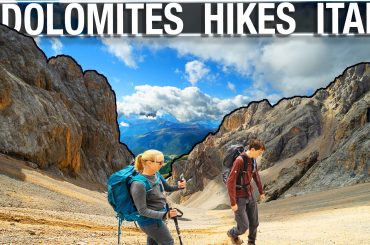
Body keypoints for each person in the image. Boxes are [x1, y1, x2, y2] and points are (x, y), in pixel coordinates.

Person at [130, 149, 186, 245]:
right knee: (168, 242)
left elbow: (167, 188)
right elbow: (142, 211)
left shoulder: (157, 174)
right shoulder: (138, 184)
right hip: (149, 221)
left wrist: (178, 187)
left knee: (153, 242)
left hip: (159, 218)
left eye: (163, 161)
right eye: (160, 162)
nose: (162, 164)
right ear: (148, 163)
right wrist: (165, 215)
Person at [226, 139, 266, 245]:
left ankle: (251, 242)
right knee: (243, 226)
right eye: (259, 152)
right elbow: (230, 182)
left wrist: (261, 192)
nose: (260, 155)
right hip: (239, 197)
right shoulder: (240, 160)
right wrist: (233, 202)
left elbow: (256, 176)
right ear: (252, 149)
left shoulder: (253, 160)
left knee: (254, 223)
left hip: (250, 194)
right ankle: (232, 233)